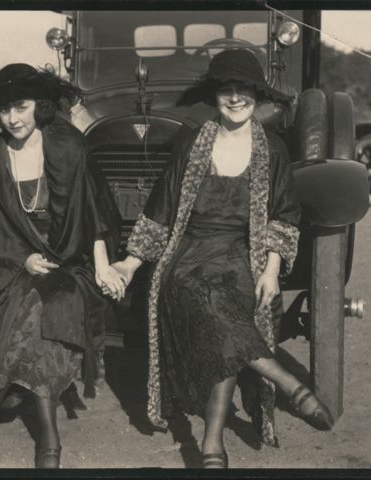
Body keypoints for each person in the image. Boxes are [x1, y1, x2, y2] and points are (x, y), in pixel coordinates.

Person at [109, 50, 334, 468]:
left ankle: (212, 442)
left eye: (243, 90)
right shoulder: (192, 143)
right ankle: (288, 383)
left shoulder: (275, 150)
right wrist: (130, 263)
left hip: (241, 257)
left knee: (226, 312)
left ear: (256, 95)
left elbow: (284, 216)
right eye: (227, 90)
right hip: (189, 255)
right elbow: (160, 210)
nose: (235, 98)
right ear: (216, 95)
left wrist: (270, 271)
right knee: (209, 301)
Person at [0, 63, 124, 468]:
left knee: (44, 307)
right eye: (3, 110)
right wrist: (22, 258)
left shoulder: (68, 146)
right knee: (29, 302)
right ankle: (47, 438)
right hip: (24, 261)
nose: (12, 119)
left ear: (40, 107)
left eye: (21, 107)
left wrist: (102, 265)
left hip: (74, 257)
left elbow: (93, 212)